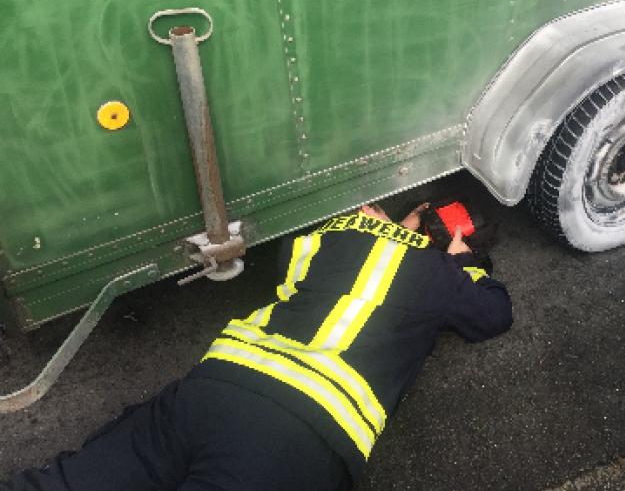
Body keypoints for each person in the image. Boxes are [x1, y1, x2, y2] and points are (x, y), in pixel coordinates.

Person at [3, 203, 513, 491]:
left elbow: (311, 274)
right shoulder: (443, 274)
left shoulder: (322, 240)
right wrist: (464, 262)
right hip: (297, 429)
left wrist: (369, 225)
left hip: (213, 388)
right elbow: (493, 315)